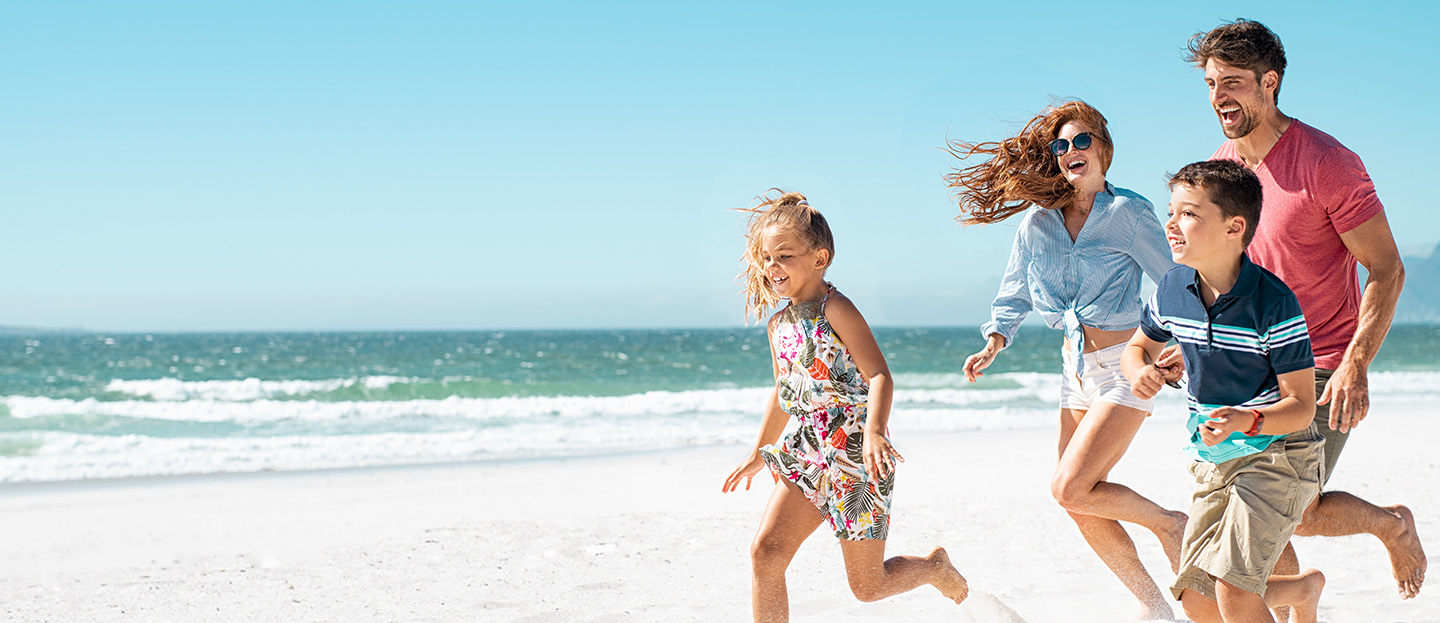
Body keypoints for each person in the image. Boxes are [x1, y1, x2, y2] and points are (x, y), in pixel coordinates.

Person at [1184, 18, 1425, 601]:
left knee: (1280, 505)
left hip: (1318, 364)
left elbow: (1387, 269)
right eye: (1212, 83)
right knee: (1273, 505)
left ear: (1270, 83)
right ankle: (1299, 597)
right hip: (1247, 363)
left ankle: (1389, 528)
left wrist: (1355, 365)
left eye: (1233, 82)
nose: (1220, 97)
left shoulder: (1327, 163)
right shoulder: (1224, 167)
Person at [945, 100, 1187, 619]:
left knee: (1071, 485)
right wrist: (995, 341)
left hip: (1127, 363)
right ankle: (1154, 607)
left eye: (1082, 141)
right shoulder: (1038, 223)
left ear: (1103, 149)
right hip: (1074, 370)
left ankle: (1171, 524)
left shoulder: (1130, 214)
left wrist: (1183, 342)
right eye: (1061, 145)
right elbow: (1013, 292)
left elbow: (1175, 279)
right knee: (1076, 500)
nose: (1071, 151)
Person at [720, 190, 969, 622]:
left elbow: (879, 376)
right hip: (806, 450)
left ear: (820, 258)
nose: (772, 267)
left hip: (856, 453)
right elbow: (784, 392)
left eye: (784, 255)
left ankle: (933, 569)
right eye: (767, 258)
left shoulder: (837, 308)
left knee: (868, 588)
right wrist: (757, 452)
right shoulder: (778, 324)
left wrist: (874, 431)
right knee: (766, 553)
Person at [1123, 160, 1327, 623]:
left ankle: (1289, 591)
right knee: (1196, 598)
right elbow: (1138, 347)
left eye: (1188, 214)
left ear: (1235, 227)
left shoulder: (1273, 303)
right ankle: (1301, 589)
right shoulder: (1173, 288)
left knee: (1233, 590)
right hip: (1214, 454)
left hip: (1279, 453)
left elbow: (1299, 406)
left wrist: (1248, 419)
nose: (1171, 225)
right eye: (1170, 212)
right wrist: (1140, 371)